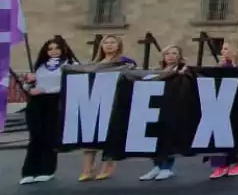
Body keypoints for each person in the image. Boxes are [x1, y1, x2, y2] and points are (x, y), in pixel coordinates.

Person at [20, 35, 78, 185]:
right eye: (50, 48)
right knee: (35, 136)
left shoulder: (70, 64)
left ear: (63, 48)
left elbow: (72, 85)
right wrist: (28, 84)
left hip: (55, 101)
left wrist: (45, 89)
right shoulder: (40, 65)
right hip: (37, 103)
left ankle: (47, 169)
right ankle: (29, 171)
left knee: (49, 136)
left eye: (56, 48)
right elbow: (28, 87)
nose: (53, 51)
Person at [80, 34, 136, 181]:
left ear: (119, 46)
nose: (109, 45)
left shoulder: (126, 63)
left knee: (110, 135)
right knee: (89, 136)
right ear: (101, 46)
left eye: (113, 42)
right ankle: (87, 169)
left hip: (114, 102)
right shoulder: (93, 64)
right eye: (106, 42)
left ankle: (108, 166)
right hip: (93, 103)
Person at [139, 44, 188, 181]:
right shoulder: (157, 70)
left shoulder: (183, 70)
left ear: (179, 56)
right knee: (155, 137)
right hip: (157, 106)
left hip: (174, 106)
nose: (171, 56)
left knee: (169, 137)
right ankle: (156, 166)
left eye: (174, 53)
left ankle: (167, 167)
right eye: (168, 53)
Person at [208, 40, 238, 179]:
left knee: (236, 133)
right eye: (222, 48)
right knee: (219, 135)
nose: (223, 51)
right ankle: (221, 165)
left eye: (226, 48)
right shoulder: (220, 66)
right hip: (221, 105)